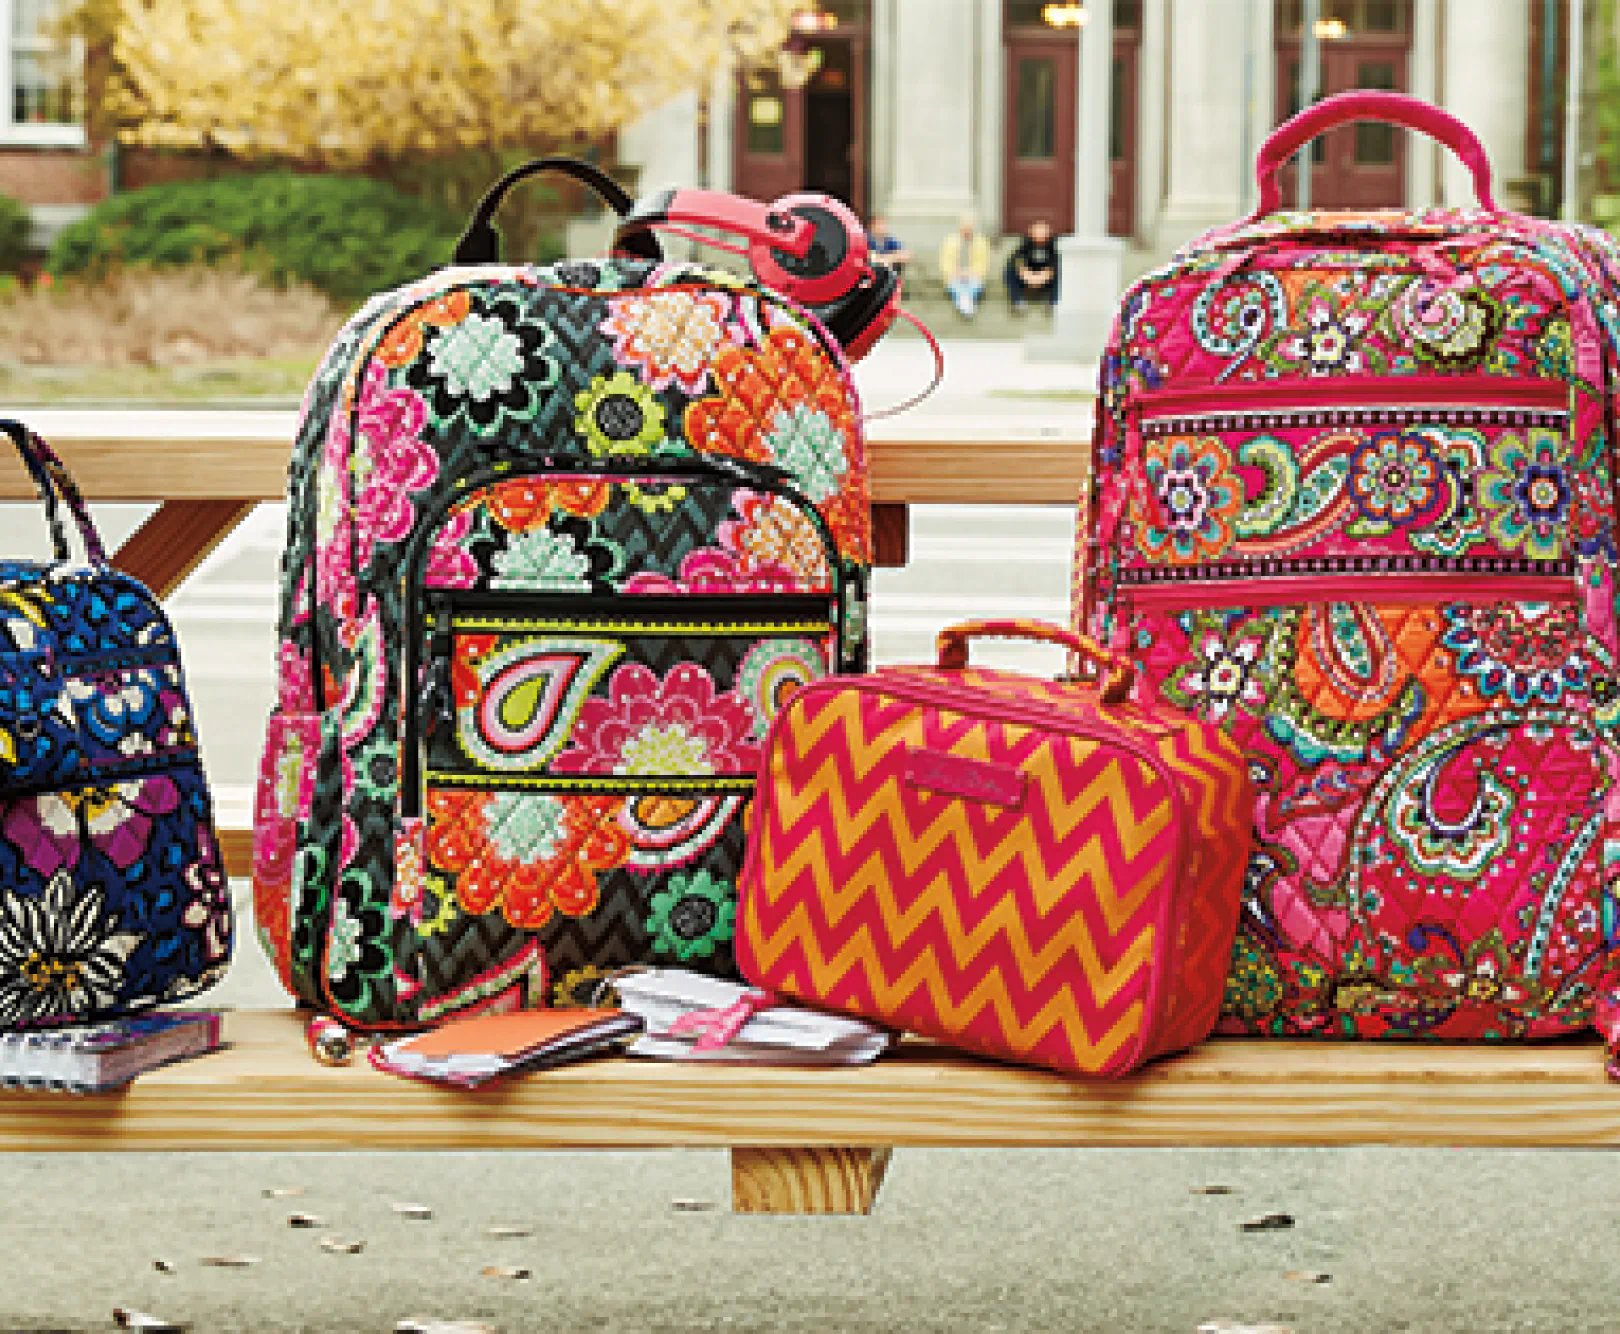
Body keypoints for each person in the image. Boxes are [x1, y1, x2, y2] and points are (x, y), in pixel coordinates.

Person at [938, 215, 990, 320]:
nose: (967, 231)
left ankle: (963, 302)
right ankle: (967, 304)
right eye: (965, 228)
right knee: (956, 285)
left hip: (973, 275)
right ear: (960, 228)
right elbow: (945, 262)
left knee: (973, 284)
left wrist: (970, 272)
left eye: (969, 228)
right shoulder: (950, 241)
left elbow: (983, 264)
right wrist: (956, 271)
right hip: (954, 275)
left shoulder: (981, 242)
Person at [1005, 219, 1061, 313]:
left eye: (1043, 234)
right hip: (1028, 278)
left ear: (1048, 234)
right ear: (1031, 234)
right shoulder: (1025, 242)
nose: (1040, 238)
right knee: (1009, 270)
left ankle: (1053, 302)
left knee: (1062, 271)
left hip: (1047, 279)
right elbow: (1016, 259)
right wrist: (1026, 274)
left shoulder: (1054, 244)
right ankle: (1017, 302)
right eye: (1037, 234)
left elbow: (1056, 262)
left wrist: (1045, 275)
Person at [866, 215, 911, 282]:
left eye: (883, 225)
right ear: (872, 227)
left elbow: (906, 255)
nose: (883, 228)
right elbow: (866, 256)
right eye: (879, 225)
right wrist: (889, 258)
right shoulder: (866, 239)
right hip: (871, 278)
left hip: (888, 277)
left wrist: (888, 258)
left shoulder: (889, 240)